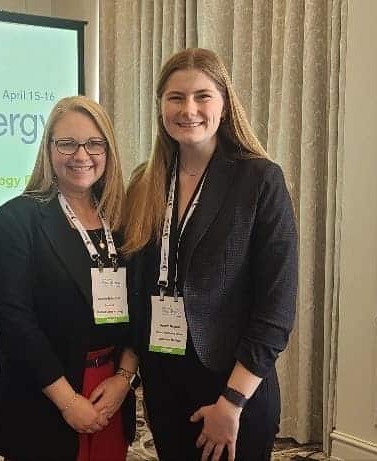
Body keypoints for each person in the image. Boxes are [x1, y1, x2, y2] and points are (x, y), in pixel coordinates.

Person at [122, 48, 299, 461]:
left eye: (202, 96)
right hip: (165, 383)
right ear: (161, 106)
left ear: (224, 103)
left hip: (233, 387)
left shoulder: (260, 180)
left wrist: (232, 402)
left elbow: (276, 309)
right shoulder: (144, 183)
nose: (189, 109)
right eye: (175, 97)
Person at [0, 95, 138, 461]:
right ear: (49, 150)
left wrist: (124, 378)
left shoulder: (123, 220)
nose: (81, 155)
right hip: (45, 399)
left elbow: (142, 304)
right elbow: (15, 321)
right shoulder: (16, 220)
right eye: (67, 143)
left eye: (93, 143)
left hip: (110, 391)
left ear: (108, 149)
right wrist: (68, 401)